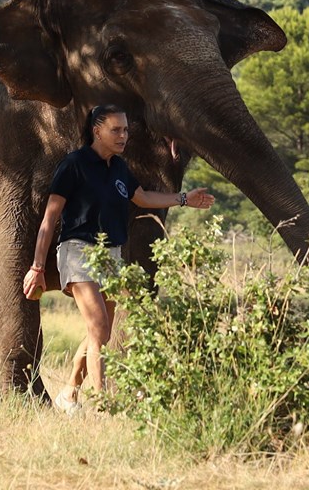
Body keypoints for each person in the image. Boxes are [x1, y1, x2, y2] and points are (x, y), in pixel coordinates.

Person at [22, 104, 214, 411]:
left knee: (98, 332)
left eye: (125, 130)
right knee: (100, 328)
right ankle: (104, 405)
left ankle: (69, 392)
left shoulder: (120, 168)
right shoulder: (74, 164)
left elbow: (143, 198)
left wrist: (183, 199)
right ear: (97, 131)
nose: (123, 135)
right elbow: (50, 217)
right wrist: (37, 267)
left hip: (110, 255)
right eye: (116, 130)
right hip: (78, 251)